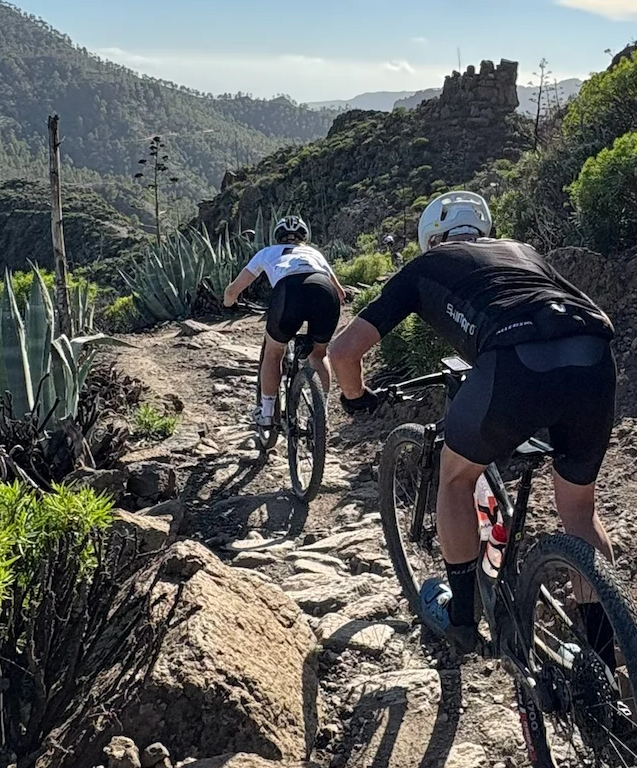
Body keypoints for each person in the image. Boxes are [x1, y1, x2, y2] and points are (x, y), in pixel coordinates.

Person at [327, 189, 615, 655]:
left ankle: (461, 619)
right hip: (594, 358)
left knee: (456, 479)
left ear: (431, 239)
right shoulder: (523, 250)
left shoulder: (424, 267)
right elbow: (587, 311)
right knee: (580, 510)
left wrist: (356, 399)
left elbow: (343, 353)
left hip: (512, 364)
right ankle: (606, 665)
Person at [222, 216, 349, 433]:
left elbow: (234, 289)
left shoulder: (267, 252)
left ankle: (267, 414)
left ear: (278, 237)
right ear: (304, 238)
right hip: (324, 290)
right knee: (319, 354)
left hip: (289, 292)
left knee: (273, 353)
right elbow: (341, 293)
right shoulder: (314, 253)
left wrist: (229, 304)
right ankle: (321, 416)